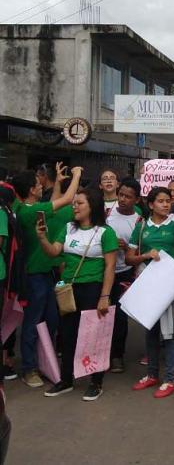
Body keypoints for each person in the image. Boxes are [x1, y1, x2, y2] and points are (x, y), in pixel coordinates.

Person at [37, 188, 118, 401]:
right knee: (67, 334)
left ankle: (95, 381)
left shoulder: (105, 232)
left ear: (92, 206)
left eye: (79, 203)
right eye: (74, 203)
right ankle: (65, 380)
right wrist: (42, 237)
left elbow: (110, 267)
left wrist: (104, 296)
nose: (74, 206)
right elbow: (54, 252)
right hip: (68, 289)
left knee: (93, 336)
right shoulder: (68, 228)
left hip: (93, 289)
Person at [126, 187, 174, 399]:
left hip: (170, 284)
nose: (166, 204)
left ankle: (169, 379)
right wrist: (145, 255)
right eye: (160, 201)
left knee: (171, 331)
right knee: (150, 329)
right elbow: (129, 258)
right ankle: (152, 374)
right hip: (148, 284)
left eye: (168, 201)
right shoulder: (141, 228)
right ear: (150, 205)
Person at [13, 163, 82, 388]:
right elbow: (66, 199)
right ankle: (29, 368)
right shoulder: (27, 211)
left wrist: (58, 183)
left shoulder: (36, 208)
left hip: (50, 273)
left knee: (52, 320)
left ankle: (45, 363)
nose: (40, 184)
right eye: (37, 183)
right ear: (32, 190)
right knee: (33, 323)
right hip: (34, 276)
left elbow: (52, 204)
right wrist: (77, 175)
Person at [106, 177, 142, 373]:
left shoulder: (139, 220)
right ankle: (101, 353)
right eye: (121, 195)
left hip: (125, 272)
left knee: (120, 316)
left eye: (128, 197)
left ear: (136, 199)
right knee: (103, 312)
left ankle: (117, 355)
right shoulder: (106, 214)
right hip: (105, 271)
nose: (123, 199)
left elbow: (140, 249)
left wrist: (127, 247)